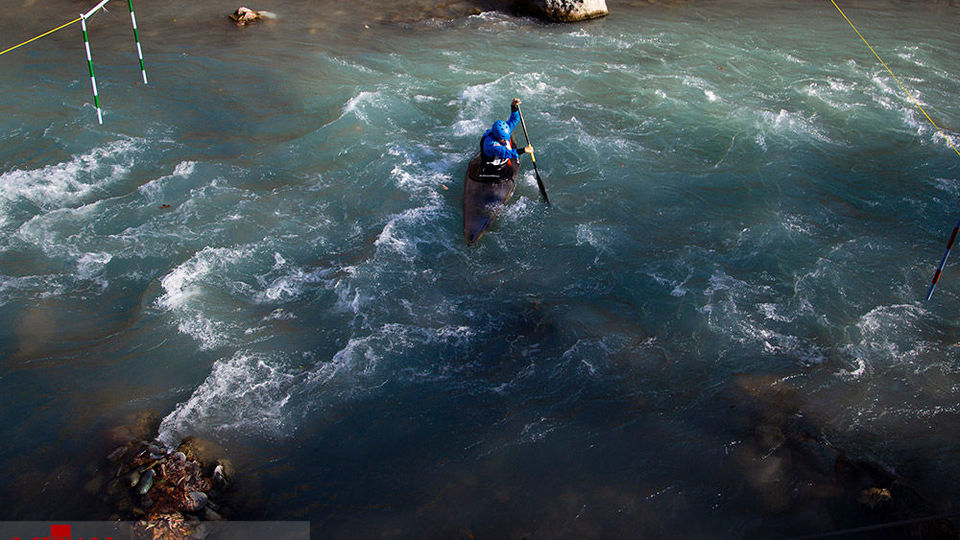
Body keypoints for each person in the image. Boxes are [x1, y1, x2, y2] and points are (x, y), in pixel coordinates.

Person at [478, 98, 533, 179]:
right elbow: (507, 153)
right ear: (496, 137)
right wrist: (524, 150)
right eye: (503, 139)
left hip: (500, 159)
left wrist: (513, 106)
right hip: (492, 168)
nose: (505, 140)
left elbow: (514, 120)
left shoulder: (504, 129)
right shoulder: (491, 144)